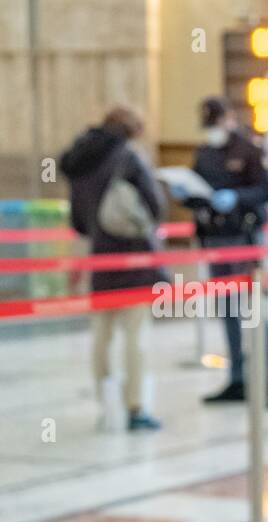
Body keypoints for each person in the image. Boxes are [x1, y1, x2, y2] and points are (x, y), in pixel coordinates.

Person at [59, 106, 164, 431]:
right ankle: (136, 406)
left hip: (99, 258)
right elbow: (155, 205)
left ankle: (106, 402)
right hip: (133, 257)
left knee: (101, 336)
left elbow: (77, 221)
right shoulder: (128, 157)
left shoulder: (79, 160)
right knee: (135, 336)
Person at [178, 96, 268, 405]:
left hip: (243, 238)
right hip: (215, 239)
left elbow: (264, 191)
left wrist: (236, 196)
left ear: (229, 119)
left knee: (254, 310)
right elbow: (199, 189)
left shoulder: (249, 150)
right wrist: (186, 195)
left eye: (216, 123)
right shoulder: (205, 153)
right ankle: (237, 377)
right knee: (227, 310)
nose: (213, 131)